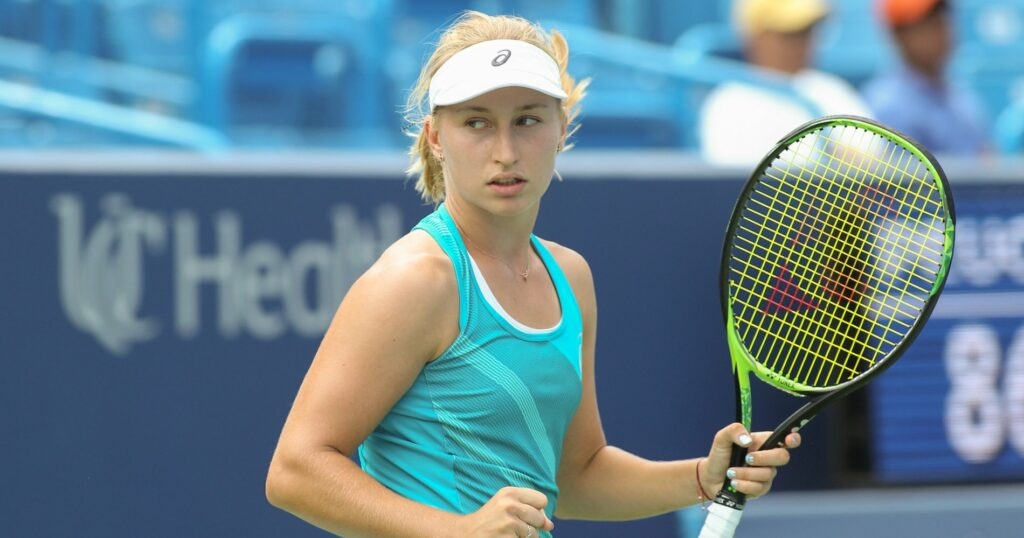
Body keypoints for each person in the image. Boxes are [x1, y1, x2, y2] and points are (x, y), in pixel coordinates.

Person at [265, 10, 800, 537]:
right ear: (434, 137)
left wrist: (701, 479)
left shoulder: (571, 278)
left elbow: (577, 476)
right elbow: (295, 470)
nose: (505, 152)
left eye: (527, 120)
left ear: (561, 128)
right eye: (476, 122)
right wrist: (457, 531)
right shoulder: (415, 281)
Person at [698, 0, 871, 166]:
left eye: (807, 31)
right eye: (789, 33)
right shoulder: (728, 103)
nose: (802, 43)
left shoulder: (831, 90)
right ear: (757, 37)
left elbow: (874, 160)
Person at [862, 0, 991, 155]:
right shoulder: (888, 104)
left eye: (943, 19)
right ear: (899, 36)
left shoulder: (962, 96)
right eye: (928, 24)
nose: (942, 30)